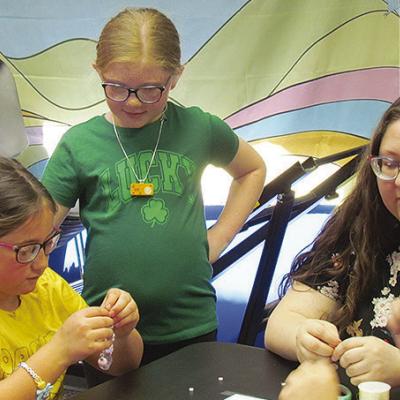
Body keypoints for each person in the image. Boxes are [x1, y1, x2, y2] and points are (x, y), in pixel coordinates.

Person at [42, 6, 266, 375]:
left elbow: (252, 169)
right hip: (108, 325)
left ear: (175, 77)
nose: (132, 101)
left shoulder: (198, 127)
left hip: (188, 322)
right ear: (98, 71)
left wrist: (220, 236)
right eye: (116, 87)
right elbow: (38, 222)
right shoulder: (79, 143)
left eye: (150, 89)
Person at [265, 97, 400, 388]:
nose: (398, 181)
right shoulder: (362, 225)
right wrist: (304, 338)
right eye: (390, 164)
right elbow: (283, 323)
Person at [0, 156, 143, 399]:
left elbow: (123, 366)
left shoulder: (48, 287)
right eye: (26, 250)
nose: (43, 263)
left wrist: (122, 334)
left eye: (48, 243)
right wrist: (59, 352)